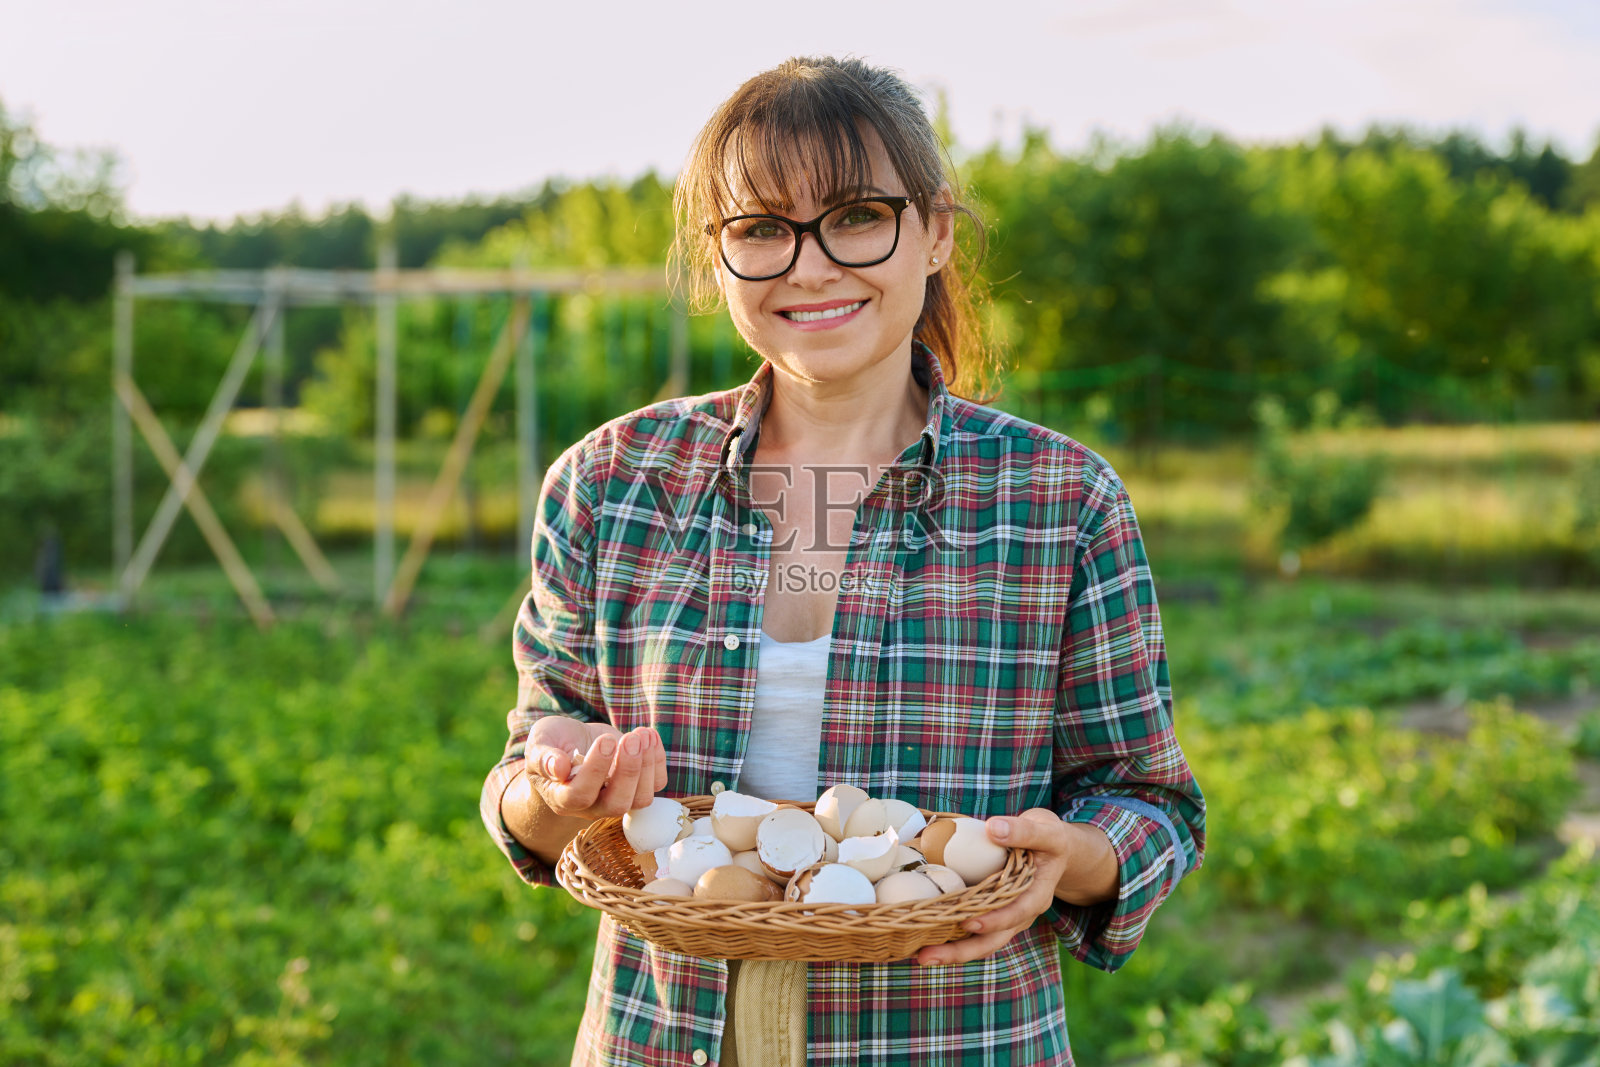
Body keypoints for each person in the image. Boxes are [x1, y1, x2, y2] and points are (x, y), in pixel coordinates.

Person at [481, 55, 1206, 1067]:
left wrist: (1077, 858)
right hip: (662, 1036)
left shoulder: (1057, 500)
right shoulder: (613, 482)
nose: (809, 266)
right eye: (762, 230)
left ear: (936, 230)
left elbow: (1151, 800)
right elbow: (527, 773)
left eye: (857, 216)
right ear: (717, 254)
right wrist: (558, 792)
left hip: (950, 1036)